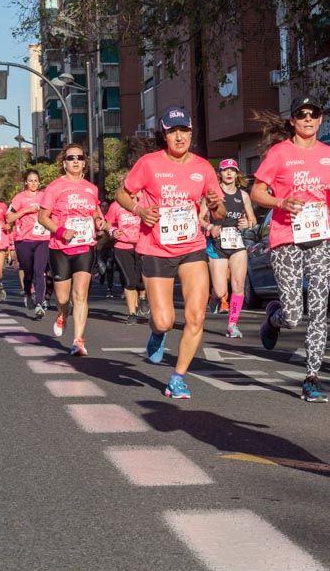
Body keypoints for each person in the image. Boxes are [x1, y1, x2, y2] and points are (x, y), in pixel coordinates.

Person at [115, 105, 224, 401]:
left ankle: (177, 378)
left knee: (196, 316)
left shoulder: (203, 168)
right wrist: (139, 210)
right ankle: (157, 333)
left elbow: (220, 212)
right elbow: (122, 193)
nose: (179, 137)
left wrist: (215, 205)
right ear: (164, 135)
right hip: (156, 248)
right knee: (164, 320)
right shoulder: (149, 164)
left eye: (183, 131)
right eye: (172, 132)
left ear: (191, 132)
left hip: (192, 247)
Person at [251, 98, 330, 402]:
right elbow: (256, 191)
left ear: (320, 120)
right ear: (292, 121)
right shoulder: (279, 153)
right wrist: (281, 202)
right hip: (286, 237)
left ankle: (312, 377)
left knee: (318, 308)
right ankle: (274, 317)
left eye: (313, 114)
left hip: (319, 237)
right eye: (301, 114)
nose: (308, 119)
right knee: (294, 314)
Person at [37, 143, 107, 355]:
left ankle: (78, 341)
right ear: (64, 163)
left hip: (85, 245)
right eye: (70, 158)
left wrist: (99, 221)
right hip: (60, 247)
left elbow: (95, 213)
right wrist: (60, 231)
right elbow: (42, 217)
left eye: (79, 157)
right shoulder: (54, 187)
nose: (75, 161)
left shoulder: (91, 188)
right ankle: (62, 313)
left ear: (84, 163)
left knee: (81, 294)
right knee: (62, 298)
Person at [206, 159, 257, 339]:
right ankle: (215, 295)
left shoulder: (243, 195)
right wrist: (210, 227)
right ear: (219, 173)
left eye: (232, 170)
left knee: (238, 285)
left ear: (237, 174)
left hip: (237, 244)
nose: (229, 173)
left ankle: (232, 324)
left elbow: (252, 220)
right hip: (216, 244)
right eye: (225, 170)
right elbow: (199, 218)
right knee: (221, 291)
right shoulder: (212, 194)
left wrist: (247, 223)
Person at [8, 168, 51, 319]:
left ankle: (39, 303)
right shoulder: (19, 198)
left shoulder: (45, 196)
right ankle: (27, 293)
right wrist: (25, 211)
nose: (33, 183)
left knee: (39, 271)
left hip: (43, 239)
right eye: (30, 181)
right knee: (28, 272)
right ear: (26, 182)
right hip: (23, 240)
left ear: (39, 182)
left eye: (36, 181)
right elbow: (9, 218)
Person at [106, 194, 149, 324]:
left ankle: (142, 297)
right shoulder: (116, 205)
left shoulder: (146, 202)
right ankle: (132, 313)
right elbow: (108, 223)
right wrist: (113, 231)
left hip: (143, 245)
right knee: (129, 280)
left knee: (141, 279)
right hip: (122, 246)